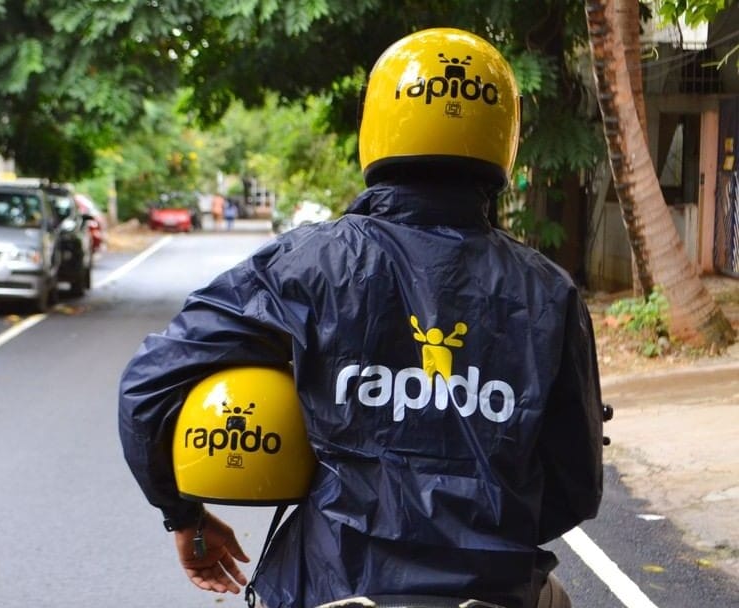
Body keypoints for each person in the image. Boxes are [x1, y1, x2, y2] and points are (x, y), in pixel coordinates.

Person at [119, 27, 604, 608]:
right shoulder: (548, 292)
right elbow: (575, 488)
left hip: (331, 587)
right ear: (506, 133)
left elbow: (149, 384)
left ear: (375, 121)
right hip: (493, 591)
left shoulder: (307, 264)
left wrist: (185, 517)